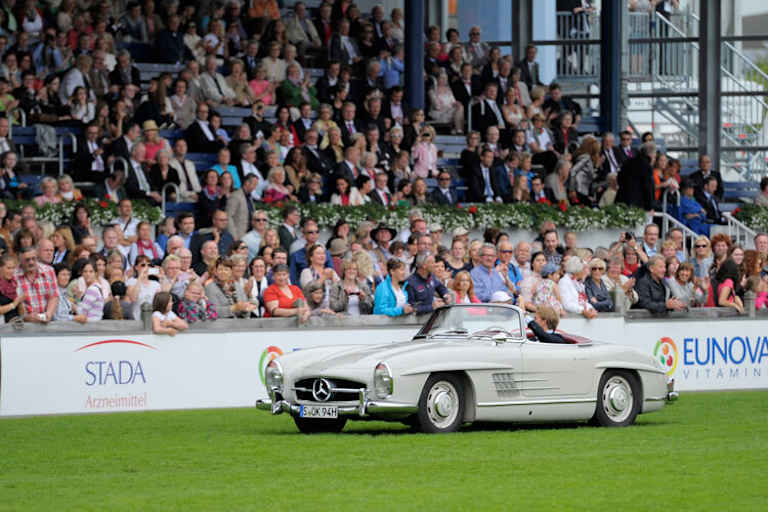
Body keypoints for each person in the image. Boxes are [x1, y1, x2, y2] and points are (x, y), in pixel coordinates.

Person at [16, 246, 58, 324]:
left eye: (33, 259)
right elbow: (17, 303)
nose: (31, 262)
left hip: (47, 321)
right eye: (27, 260)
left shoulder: (49, 271)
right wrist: (26, 317)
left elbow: (54, 296)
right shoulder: (14, 276)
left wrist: (48, 314)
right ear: (20, 261)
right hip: (25, 324)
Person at [0, 253, 24, 323]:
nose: (11, 271)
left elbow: (21, 312)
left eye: (13, 268)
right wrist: (14, 304)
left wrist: (20, 302)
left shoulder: (15, 283)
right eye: (8, 268)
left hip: (15, 326)